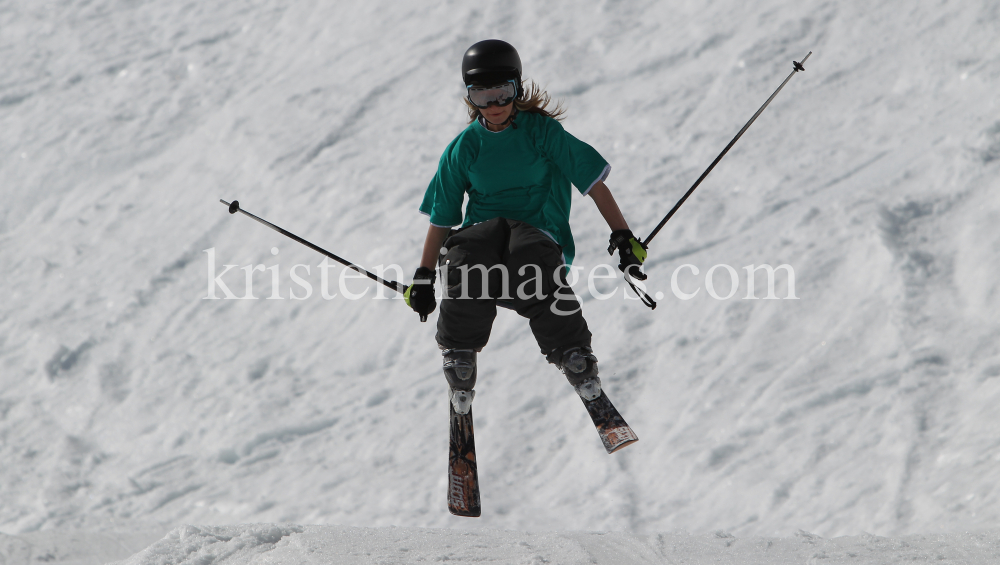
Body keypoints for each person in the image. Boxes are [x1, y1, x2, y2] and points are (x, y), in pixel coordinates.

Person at [404, 39, 648, 415]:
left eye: (503, 94)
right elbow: (442, 217)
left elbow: (593, 184)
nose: (495, 106)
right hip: (482, 232)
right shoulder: (464, 147)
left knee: (529, 258)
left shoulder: (541, 132)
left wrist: (623, 235)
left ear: (517, 88)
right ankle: (460, 355)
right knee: (464, 258)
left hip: (536, 229)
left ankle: (573, 354)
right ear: (470, 98)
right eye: (482, 96)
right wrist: (423, 275)